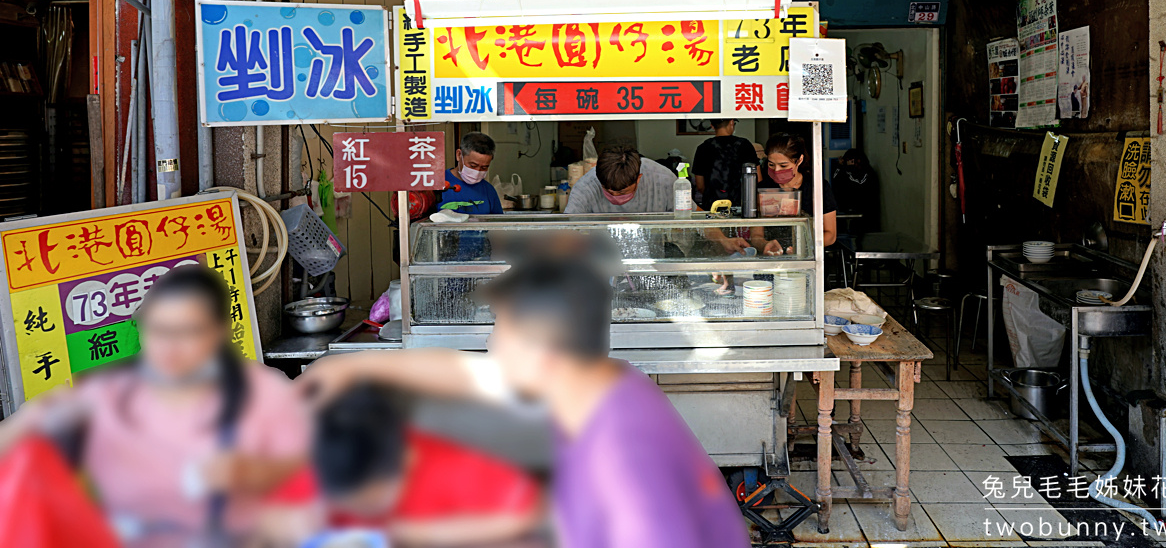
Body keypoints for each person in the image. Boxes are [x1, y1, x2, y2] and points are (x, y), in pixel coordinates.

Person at [299, 255, 751, 548]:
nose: (492, 340)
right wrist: (356, 368)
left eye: (501, 326)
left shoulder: (619, 454)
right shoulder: (599, 381)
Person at [0, 264, 309, 544]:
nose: (169, 346)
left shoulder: (261, 389)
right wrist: (33, 418)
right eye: (157, 330)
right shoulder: (109, 397)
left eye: (187, 331)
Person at [255, 384, 541, 546]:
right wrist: (291, 526)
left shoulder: (455, 466)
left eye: (369, 499)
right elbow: (262, 517)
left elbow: (524, 515)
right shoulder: (326, 458)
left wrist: (411, 533)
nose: (356, 510)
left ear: (407, 458)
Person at [565, 146, 749, 254]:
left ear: (639, 178)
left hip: (654, 260)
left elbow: (694, 216)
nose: (615, 198)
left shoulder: (661, 179)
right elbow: (565, 232)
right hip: (601, 264)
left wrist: (724, 240)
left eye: (622, 193)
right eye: (608, 191)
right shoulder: (586, 187)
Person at [749, 132, 838, 253]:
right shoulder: (763, 189)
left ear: (799, 160)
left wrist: (802, 246)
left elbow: (830, 234)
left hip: (809, 257)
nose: (777, 170)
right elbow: (756, 236)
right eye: (771, 165)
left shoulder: (817, 187)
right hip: (772, 258)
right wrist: (766, 245)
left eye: (783, 165)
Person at [691, 119, 760, 211]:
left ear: (712, 126)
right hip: (742, 205)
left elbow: (700, 185)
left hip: (712, 206)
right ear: (731, 123)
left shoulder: (703, 148)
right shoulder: (744, 145)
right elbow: (758, 178)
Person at [441, 131, 503, 215]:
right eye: (473, 166)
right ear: (459, 155)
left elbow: (497, 224)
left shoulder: (488, 191)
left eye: (484, 167)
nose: (477, 172)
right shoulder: (437, 184)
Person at [831, 148, 879, 233]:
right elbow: (836, 181)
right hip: (849, 208)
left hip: (864, 210)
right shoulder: (848, 171)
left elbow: (859, 183)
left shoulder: (867, 173)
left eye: (850, 160)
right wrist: (840, 166)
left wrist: (842, 168)